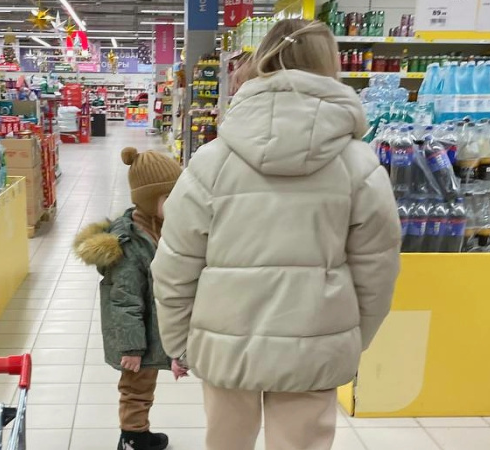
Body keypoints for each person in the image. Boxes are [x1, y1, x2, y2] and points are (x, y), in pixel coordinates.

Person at [150, 18, 402, 450]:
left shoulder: (212, 161)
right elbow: (377, 271)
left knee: (226, 442)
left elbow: (175, 263)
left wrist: (179, 342)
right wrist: (353, 339)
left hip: (225, 342)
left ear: (263, 61)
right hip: (315, 344)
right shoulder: (360, 166)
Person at [73, 147, 187, 450]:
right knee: (136, 386)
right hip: (135, 337)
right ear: (150, 201)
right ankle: (133, 437)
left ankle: (138, 431)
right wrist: (133, 348)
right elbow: (124, 302)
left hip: (150, 328)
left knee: (145, 384)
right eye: (169, 198)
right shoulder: (129, 245)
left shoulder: (160, 227)